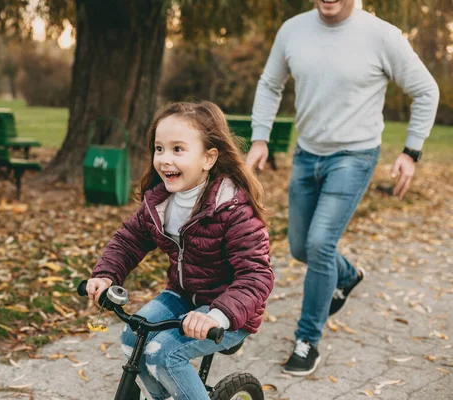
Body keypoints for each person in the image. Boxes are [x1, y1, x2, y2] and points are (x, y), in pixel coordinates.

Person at [246, 0, 439, 376]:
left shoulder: (381, 35)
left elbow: (426, 90)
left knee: (320, 244)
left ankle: (307, 340)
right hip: (306, 155)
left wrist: (411, 151)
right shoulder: (292, 30)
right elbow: (270, 84)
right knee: (302, 246)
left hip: (354, 156)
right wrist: (259, 139)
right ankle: (347, 275)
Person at [85, 101, 274, 400]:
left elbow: (256, 276)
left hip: (228, 312)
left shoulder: (233, 208)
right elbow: (129, 239)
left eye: (178, 149)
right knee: (131, 339)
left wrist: (218, 315)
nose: (164, 159)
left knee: (163, 354)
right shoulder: (160, 202)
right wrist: (106, 275)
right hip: (182, 295)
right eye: (159, 149)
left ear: (208, 158)